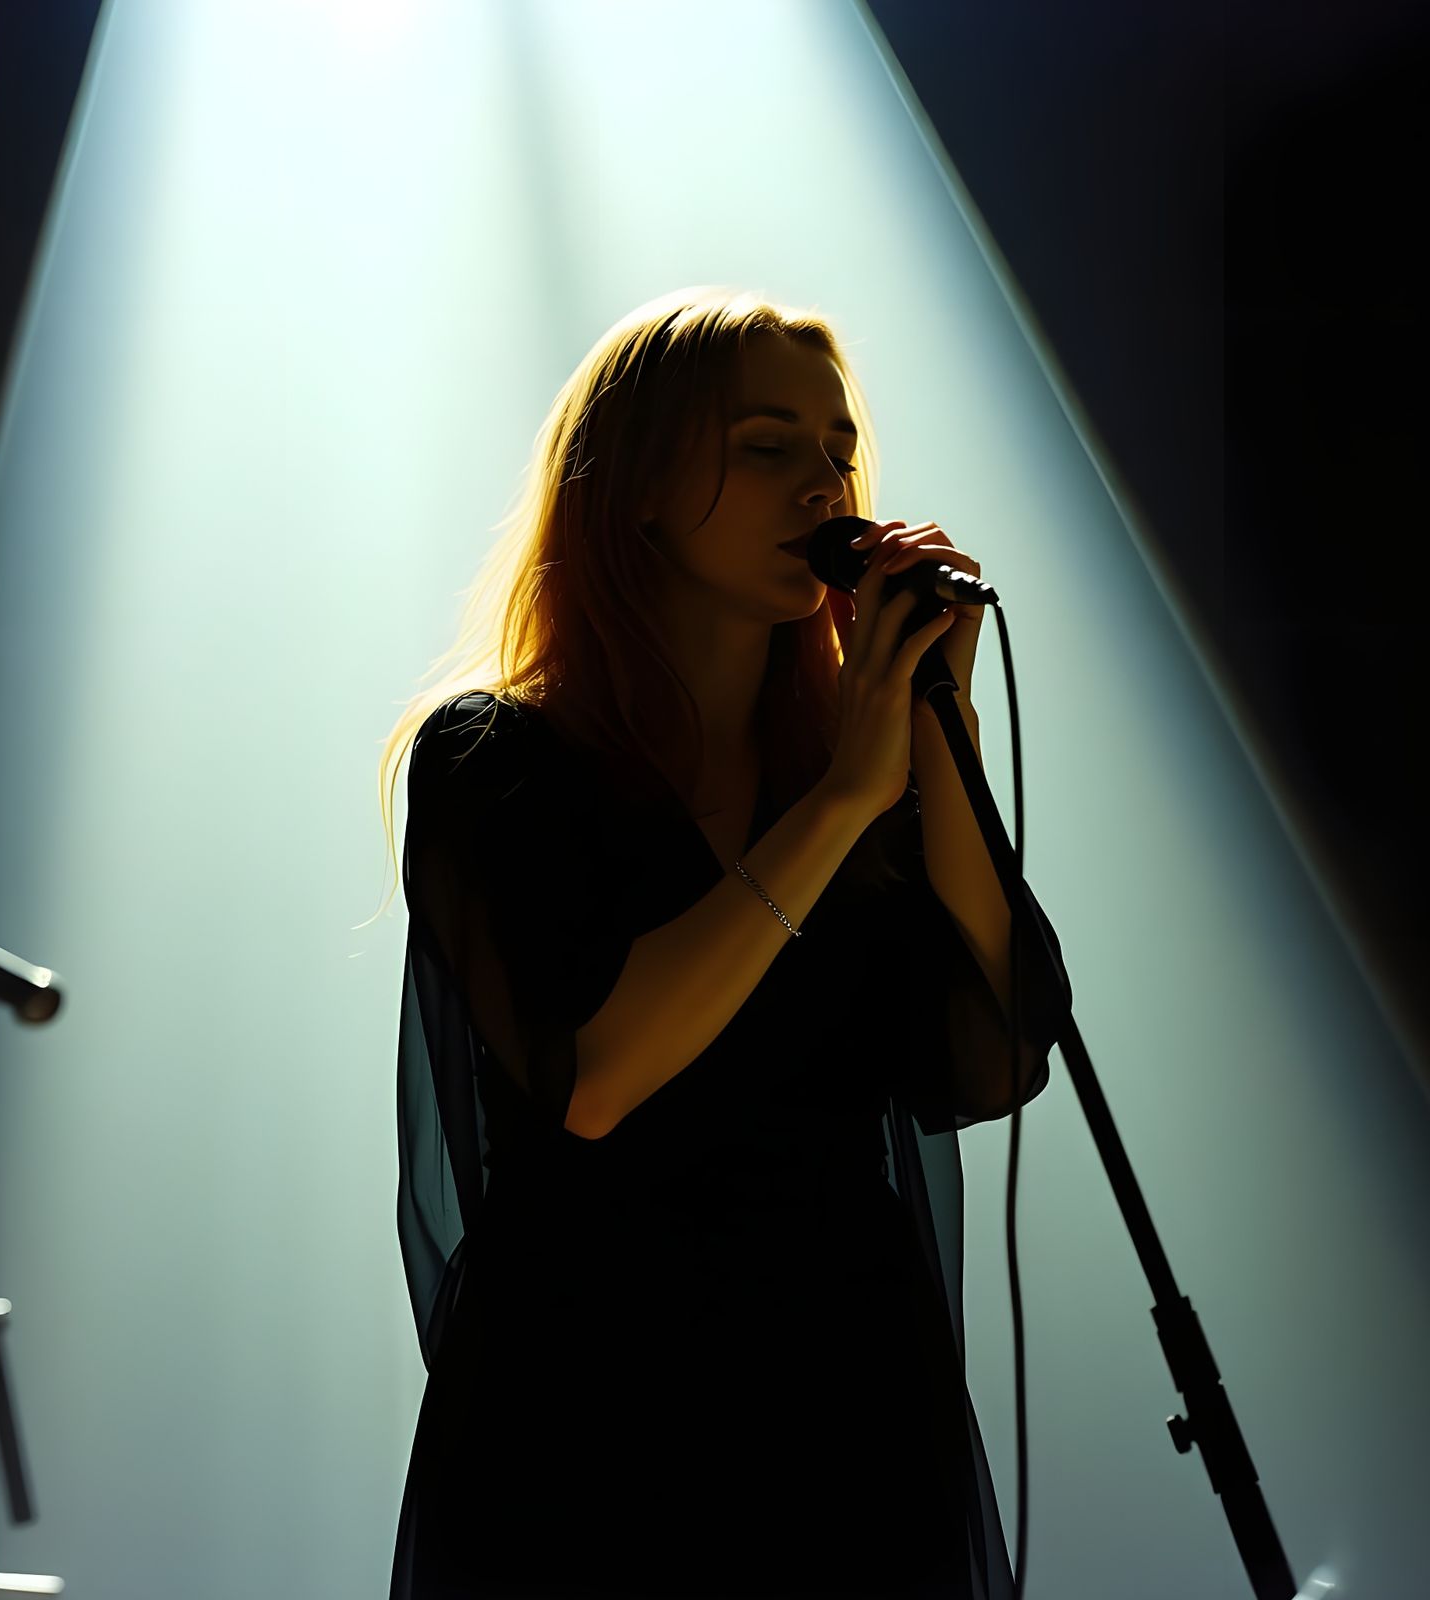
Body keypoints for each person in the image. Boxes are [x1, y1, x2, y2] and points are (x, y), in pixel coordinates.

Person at [374, 287, 1069, 1598]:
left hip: (846, 1404)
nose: (823, 484)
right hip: (589, 1413)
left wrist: (938, 729)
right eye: (766, 447)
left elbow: (987, 1063)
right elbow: (595, 1076)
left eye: (840, 451)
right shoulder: (495, 762)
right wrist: (846, 802)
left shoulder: (853, 769)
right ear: (634, 486)